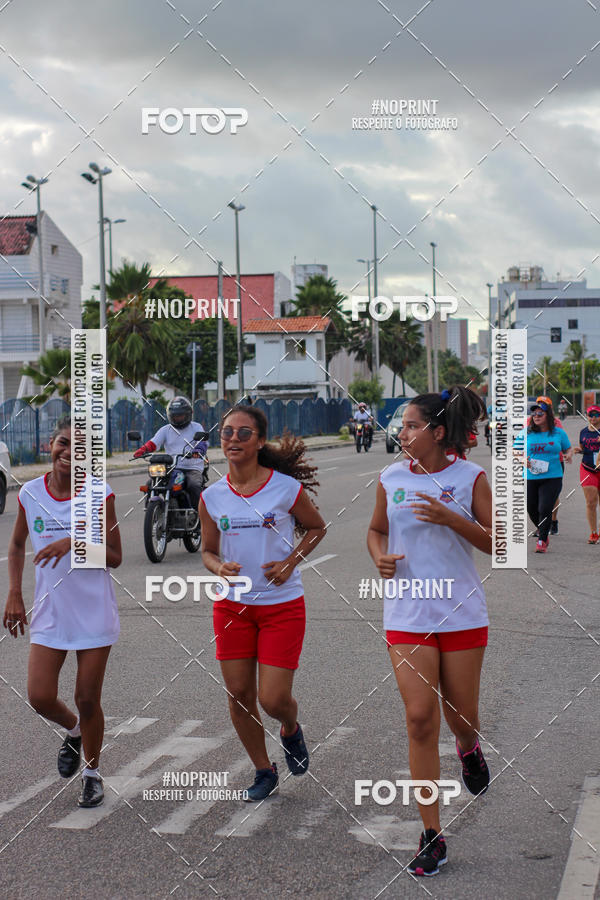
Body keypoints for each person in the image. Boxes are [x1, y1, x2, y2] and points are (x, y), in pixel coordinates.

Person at [367, 386, 491, 877]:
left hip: (461, 615)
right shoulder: (390, 477)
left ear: (438, 433)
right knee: (420, 718)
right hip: (406, 617)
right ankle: (431, 834)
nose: (404, 433)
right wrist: (378, 555)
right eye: (402, 425)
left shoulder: (469, 478)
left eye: (413, 425)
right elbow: (377, 530)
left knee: (461, 715)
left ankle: (468, 748)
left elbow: (500, 544)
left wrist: (452, 518)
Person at [199, 406, 327, 801]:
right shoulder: (212, 496)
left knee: (272, 699)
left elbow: (317, 528)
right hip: (232, 606)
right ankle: (263, 770)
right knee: (238, 694)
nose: (233, 439)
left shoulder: (284, 488)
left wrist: (290, 563)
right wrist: (219, 568)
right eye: (227, 433)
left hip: (281, 605)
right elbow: (207, 551)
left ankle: (290, 728)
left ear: (258, 441)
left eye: (243, 433)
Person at [3, 417, 122, 808]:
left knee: (88, 699)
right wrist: (15, 594)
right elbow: (18, 545)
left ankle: (92, 773)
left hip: (93, 612)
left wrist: (73, 543)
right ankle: (73, 732)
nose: (69, 452)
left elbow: (115, 557)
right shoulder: (30, 493)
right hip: (51, 611)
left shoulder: (100, 494)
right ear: (50, 445)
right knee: (39, 696)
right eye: (63, 442)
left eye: (80, 449)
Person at [133, 396, 208, 510]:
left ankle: (200, 515)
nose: (177, 418)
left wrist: (197, 451)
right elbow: (153, 443)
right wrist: (143, 450)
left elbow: (202, 443)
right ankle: (151, 511)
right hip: (171, 468)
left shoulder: (196, 427)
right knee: (150, 484)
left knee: (193, 485)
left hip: (192, 468)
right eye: (175, 415)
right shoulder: (165, 429)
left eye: (180, 415)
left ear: (188, 414)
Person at [519, 399, 572, 553]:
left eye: (540, 413)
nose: (536, 415)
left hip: (553, 476)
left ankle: (542, 540)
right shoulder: (526, 432)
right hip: (531, 476)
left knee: (545, 507)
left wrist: (568, 455)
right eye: (534, 413)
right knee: (531, 508)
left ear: (547, 415)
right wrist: (522, 459)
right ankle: (543, 529)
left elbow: (568, 449)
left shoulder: (558, 432)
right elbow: (515, 450)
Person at [527, 397, 565, 535]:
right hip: (534, 464)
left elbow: (560, 441)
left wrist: (567, 453)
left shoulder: (557, 423)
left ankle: (553, 521)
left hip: (554, 462)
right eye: (538, 405)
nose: (538, 413)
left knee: (550, 497)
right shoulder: (530, 422)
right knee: (534, 500)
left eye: (544, 406)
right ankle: (541, 526)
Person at [573, 405, 600, 543]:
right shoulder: (583, 432)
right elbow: (584, 448)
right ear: (587, 416)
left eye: (596, 415)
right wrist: (579, 450)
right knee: (590, 502)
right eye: (591, 415)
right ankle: (593, 533)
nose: (593, 417)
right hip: (588, 469)